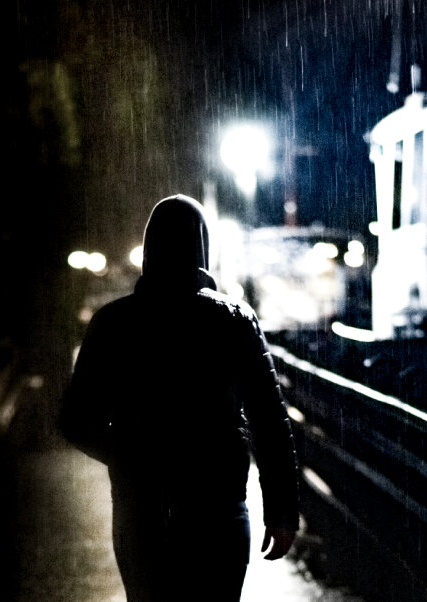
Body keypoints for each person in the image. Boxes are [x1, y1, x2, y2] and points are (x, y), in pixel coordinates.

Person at [59, 194, 299, 601]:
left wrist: (128, 453)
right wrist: (281, 511)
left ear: (149, 250)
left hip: (140, 508)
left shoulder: (113, 323)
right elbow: (269, 419)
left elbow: (75, 419)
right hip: (218, 508)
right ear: (202, 247)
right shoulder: (234, 319)